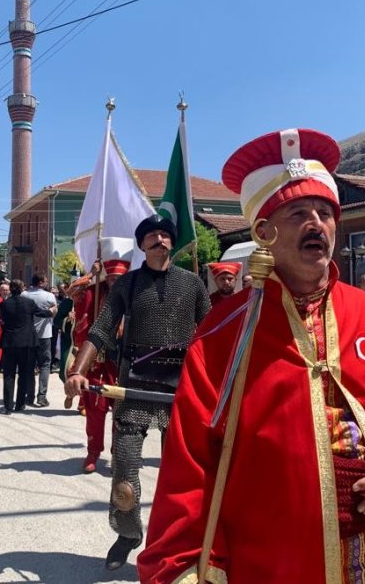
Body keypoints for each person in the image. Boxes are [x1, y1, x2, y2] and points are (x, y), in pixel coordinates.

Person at [138, 127, 365, 584]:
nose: (316, 223)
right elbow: (190, 464)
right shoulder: (224, 335)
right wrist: (188, 563)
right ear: (263, 232)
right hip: (269, 563)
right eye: (299, 212)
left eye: (325, 213)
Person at [65, 214, 211, 571]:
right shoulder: (128, 284)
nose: (159, 239)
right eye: (152, 235)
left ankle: (179, 546)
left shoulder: (192, 284)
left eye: (165, 234)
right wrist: (77, 370)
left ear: (172, 242)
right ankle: (128, 533)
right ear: (142, 244)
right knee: (125, 472)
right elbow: (101, 330)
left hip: (180, 391)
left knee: (183, 476)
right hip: (134, 388)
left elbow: (212, 334)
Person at [74, 237, 134, 474]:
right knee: (96, 412)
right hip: (98, 363)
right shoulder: (95, 292)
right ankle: (93, 452)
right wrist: (91, 275)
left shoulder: (137, 296)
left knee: (122, 414)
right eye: (111, 278)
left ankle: (118, 455)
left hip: (125, 363)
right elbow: (73, 293)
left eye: (119, 279)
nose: (115, 282)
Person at [0, 279, 56, 414]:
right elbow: (42, 313)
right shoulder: (28, 303)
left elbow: (1, 318)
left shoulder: (4, 304)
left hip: (10, 342)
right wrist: (51, 310)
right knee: (23, 373)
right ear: (22, 289)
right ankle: (20, 404)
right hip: (26, 342)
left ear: (10, 289)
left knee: (9, 375)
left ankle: (8, 406)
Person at [22, 273, 57, 407]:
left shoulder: (24, 295)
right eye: (46, 281)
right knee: (45, 365)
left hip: (28, 335)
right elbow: (54, 312)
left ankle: (29, 396)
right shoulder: (49, 296)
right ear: (41, 282)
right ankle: (42, 397)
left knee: (29, 366)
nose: (47, 283)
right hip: (45, 335)